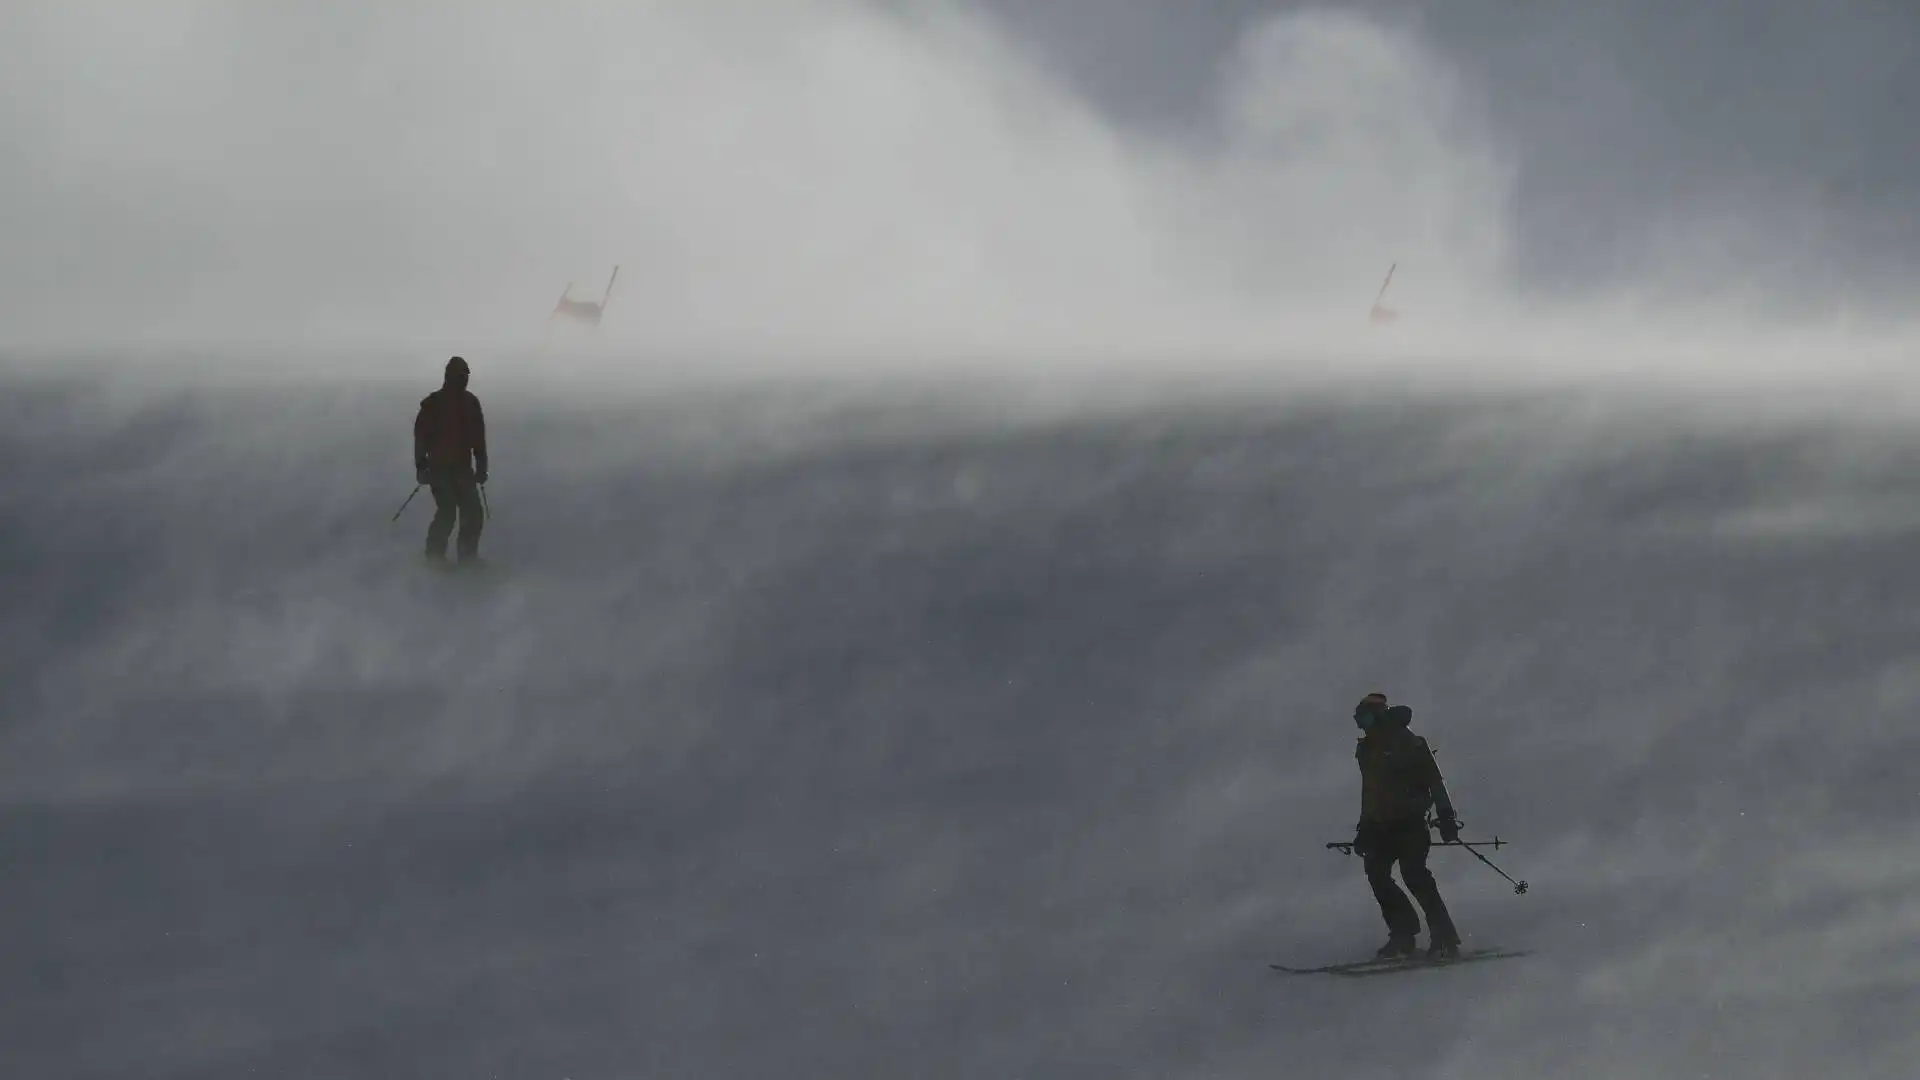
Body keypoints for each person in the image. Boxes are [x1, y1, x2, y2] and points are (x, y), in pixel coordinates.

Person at [1350, 692, 1463, 960]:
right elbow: (1371, 793)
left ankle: (1444, 937)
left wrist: (1446, 816)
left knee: (1414, 873)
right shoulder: (1367, 749)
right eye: (1358, 720)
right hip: (1380, 826)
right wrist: (1364, 827)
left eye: (1365, 718)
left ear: (1379, 716)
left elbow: (1435, 781)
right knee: (1377, 872)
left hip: (1410, 821)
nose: (1361, 725)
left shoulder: (1409, 742)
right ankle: (1403, 934)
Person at [413, 355, 488, 565]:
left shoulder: (470, 403)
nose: (463, 380)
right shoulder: (433, 405)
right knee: (447, 511)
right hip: (439, 469)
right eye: (459, 376)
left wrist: (482, 465)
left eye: (465, 376)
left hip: (462, 468)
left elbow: (478, 438)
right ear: (449, 377)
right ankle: (434, 556)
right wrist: (422, 465)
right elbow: (421, 437)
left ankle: (467, 556)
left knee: (473, 512)